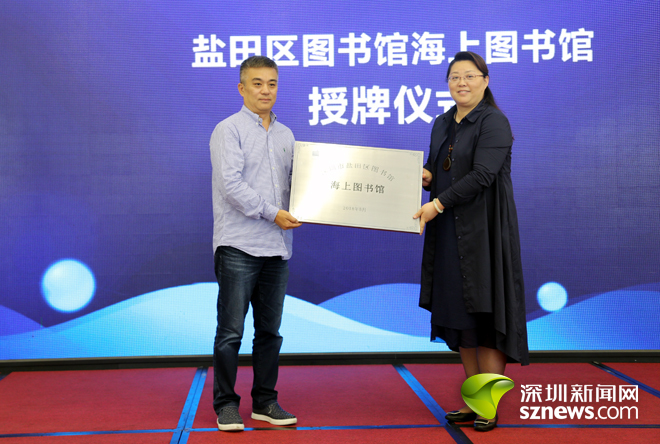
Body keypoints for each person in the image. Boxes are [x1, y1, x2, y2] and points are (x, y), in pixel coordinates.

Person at [413, 51, 529, 432]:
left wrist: (437, 204)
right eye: (454, 77)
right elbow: (439, 168)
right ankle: (474, 399)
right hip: (449, 231)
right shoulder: (442, 122)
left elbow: (482, 175)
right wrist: (424, 177)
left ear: (485, 80)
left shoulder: (494, 122)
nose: (461, 83)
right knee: (460, 318)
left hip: (485, 232)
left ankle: (487, 405)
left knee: (486, 317)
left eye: (469, 76)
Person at [210, 55, 302, 432]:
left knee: (269, 332)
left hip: (277, 248)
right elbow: (231, 186)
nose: (266, 90)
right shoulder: (228, 130)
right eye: (258, 83)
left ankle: (265, 401)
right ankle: (226, 405)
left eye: (272, 83)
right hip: (239, 246)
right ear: (242, 88)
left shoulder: (286, 135)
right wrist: (272, 212)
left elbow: (300, 184)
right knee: (230, 332)